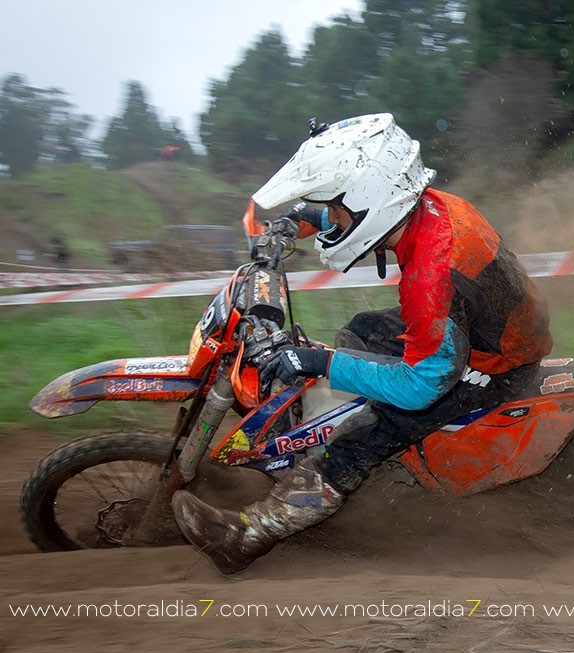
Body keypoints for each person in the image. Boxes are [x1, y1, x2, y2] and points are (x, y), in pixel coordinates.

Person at [172, 114, 553, 574]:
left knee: (363, 434)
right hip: (484, 322)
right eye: (329, 211)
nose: (331, 219)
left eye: (334, 210)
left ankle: (248, 537)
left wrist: (318, 361)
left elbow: (422, 385)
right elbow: (356, 212)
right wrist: (297, 219)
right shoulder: (427, 205)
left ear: (372, 197)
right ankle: (355, 439)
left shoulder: (429, 277)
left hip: (493, 363)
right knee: (361, 329)